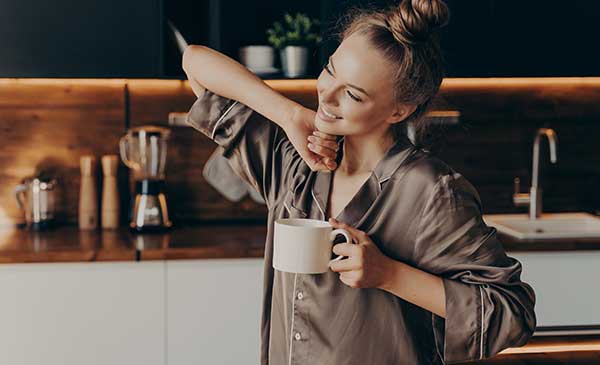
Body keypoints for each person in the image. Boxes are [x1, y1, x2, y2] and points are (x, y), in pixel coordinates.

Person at [182, 0, 536, 363]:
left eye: (352, 94)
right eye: (329, 70)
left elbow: (512, 313)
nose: (327, 96)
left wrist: (388, 274)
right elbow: (194, 61)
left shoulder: (430, 191)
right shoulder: (293, 163)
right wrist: (287, 113)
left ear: (400, 110)